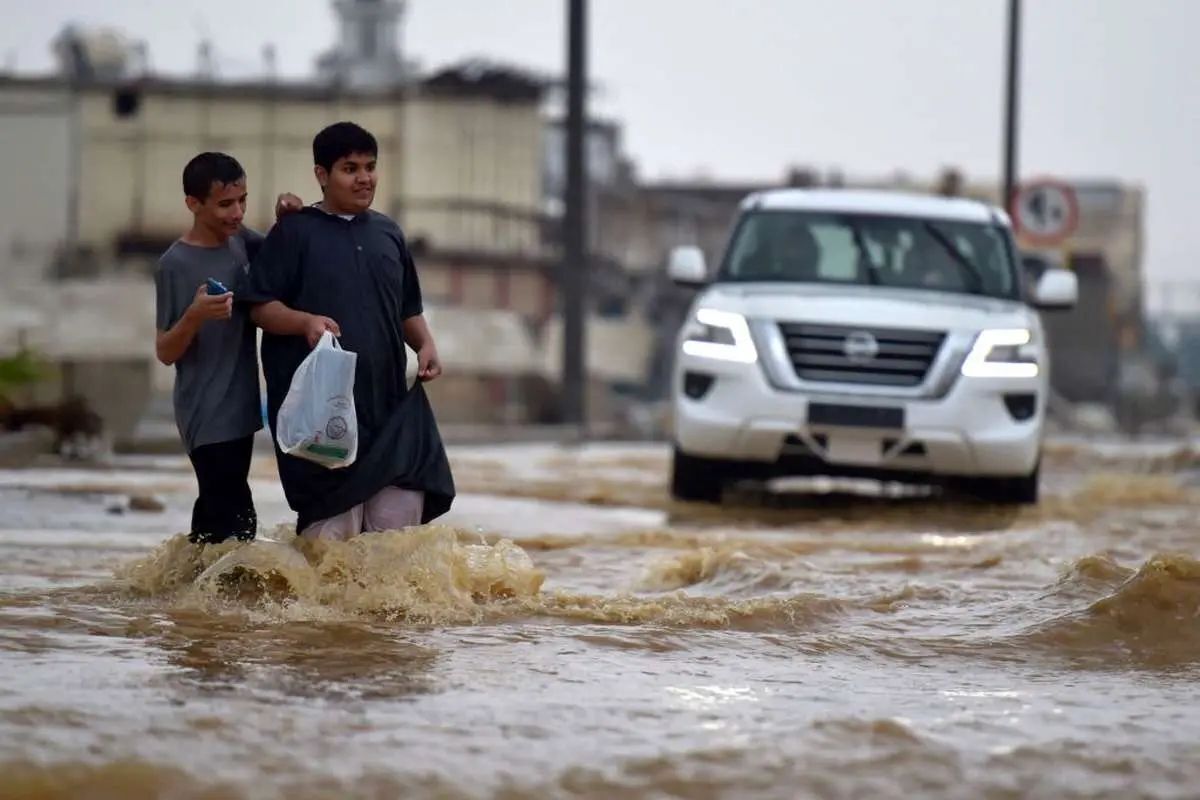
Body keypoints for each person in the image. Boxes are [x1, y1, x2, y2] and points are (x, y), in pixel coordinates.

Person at [242, 121, 455, 541]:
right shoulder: (295, 231)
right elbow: (260, 308)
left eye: (370, 167)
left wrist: (425, 344)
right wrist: (304, 322)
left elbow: (407, 308)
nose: (364, 178)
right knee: (329, 547)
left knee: (395, 545)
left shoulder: (388, 233)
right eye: (350, 168)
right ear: (322, 175)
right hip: (323, 414)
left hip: (388, 409)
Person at [154, 152, 302, 544]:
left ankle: (185, 599)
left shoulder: (242, 243)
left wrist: (287, 220)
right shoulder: (175, 263)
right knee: (237, 520)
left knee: (215, 517)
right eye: (224, 204)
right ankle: (215, 598)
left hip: (241, 407)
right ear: (193, 204)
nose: (236, 213)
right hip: (204, 410)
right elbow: (165, 351)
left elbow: (280, 258)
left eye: (243, 201)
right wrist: (195, 315)